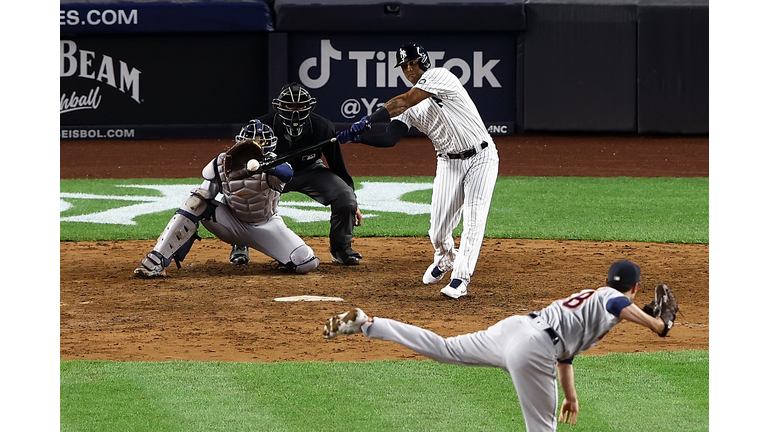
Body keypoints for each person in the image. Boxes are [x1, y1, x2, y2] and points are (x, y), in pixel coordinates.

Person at [323, 260, 677, 432]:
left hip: (516, 329)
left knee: (445, 348)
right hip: (535, 349)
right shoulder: (610, 299)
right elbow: (615, 303)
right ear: (634, 289)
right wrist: (659, 326)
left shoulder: (594, 301)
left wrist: (570, 396)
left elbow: (566, 356)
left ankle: (370, 324)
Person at [336, 42, 499, 298]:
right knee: (437, 229)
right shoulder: (411, 108)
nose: (409, 69)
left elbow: (403, 101)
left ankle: (460, 278)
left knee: (474, 219)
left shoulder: (439, 76)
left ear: (423, 61)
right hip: (448, 162)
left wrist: (367, 120)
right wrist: (357, 138)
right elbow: (390, 138)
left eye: (413, 63)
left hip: (481, 157)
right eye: (405, 65)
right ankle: (445, 258)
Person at [134, 119, 319, 278]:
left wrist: (266, 166)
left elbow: (288, 173)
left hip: (266, 226)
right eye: (251, 140)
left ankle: (279, 254)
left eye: (260, 141)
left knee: (305, 263)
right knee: (196, 201)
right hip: (231, 223)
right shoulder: (221, 163)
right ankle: (157, 259)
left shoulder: (276, 165)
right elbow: (202, 198)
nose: (255, 144)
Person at [230, 82, 363, 267]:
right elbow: (244, 162)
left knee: (345, 197)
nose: (295, 110)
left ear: (309, 106)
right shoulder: (261, 126)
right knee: (245, 192)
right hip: (273, 173)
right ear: (279, 105)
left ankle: (341, 249)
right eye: (289, 106)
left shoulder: (323, 127)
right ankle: (240, 245)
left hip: (309, 170)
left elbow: (338, 167)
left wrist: (353, 200)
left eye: (299, 106)